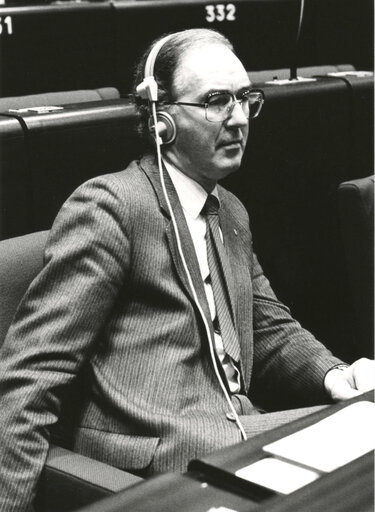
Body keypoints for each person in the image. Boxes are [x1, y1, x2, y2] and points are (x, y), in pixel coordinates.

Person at [0, 28, 373, 511]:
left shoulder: (231, 211)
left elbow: (268, 324)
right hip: (159, 460)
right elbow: (32, 377)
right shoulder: (111, 207)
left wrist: (336, 376)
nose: (239, 119)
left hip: (239, 434)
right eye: (217, 101)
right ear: (162, 120)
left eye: (245, 99)